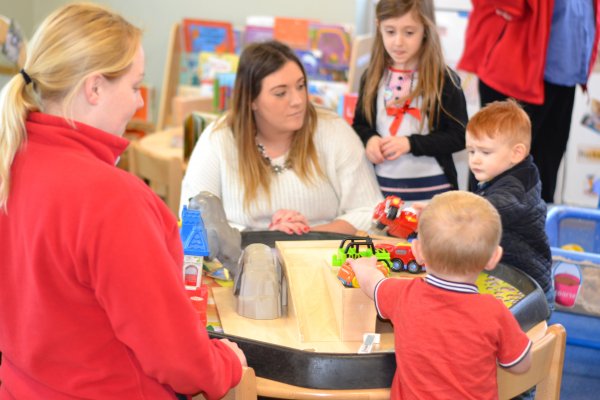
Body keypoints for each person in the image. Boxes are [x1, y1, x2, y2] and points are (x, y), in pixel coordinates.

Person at [0, 4, 245, 399]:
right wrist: (226, 362)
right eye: (134, 87)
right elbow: (178, 360)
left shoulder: (11, 162)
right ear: (94, 88)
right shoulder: (112, 199)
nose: (138, 104)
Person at [180, 40, 383, 235]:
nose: (298, 101)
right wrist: (265, 238)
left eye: (301, 86)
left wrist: (305, 235)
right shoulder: (218, 140)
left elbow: (370, 212)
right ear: (251, 100)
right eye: (280, 93)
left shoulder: (333, 130)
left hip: (321, 258)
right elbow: (194, 220)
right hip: (240, 263)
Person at [350, 191, 532, 399]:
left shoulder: (403, 295)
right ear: (494, 258)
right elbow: (521, 365)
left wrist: (362, 266)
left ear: (417, 251)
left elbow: (372, 283)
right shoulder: (494, 311)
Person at [458, 0, 600, 203]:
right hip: (516, 64)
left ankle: (536, 230)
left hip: (563, 69)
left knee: (543, 176)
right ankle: (477, 231)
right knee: (493, 170)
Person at [352, 0, 468, 201]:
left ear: (426, 29)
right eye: (390, 31)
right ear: (378, 25)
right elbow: (360, 125)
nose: (398, 42)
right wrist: (369, 139)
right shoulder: (372, 77)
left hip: (434, 195)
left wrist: (410, 144)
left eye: (409, 32)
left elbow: (459, 135)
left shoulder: (444, 80)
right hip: (382, 192)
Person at [466, 100, 554, 311]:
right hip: (511, 279)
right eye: (471, 151)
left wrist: (449, 211)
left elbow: (491, 209)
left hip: (525, 291)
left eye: (485, 153)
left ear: (516, 153)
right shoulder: (509, 174)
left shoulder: (515, 188)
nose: (475, 160)